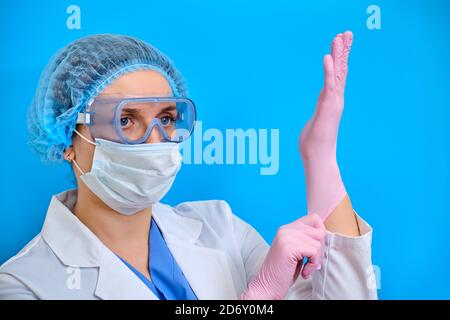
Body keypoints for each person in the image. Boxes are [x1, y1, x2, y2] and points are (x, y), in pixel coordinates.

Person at [0, 32, 377, 300]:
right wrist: (257, 298)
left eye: (165, 118)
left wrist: (321, 157)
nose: (154, 140)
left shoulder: (219, 227)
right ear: (69, 139)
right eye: (126, 119)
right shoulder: (24, 284)